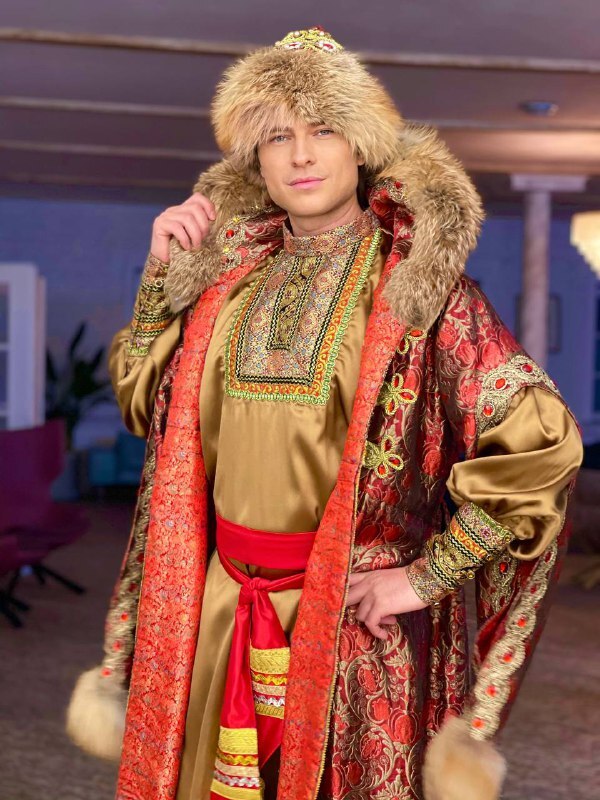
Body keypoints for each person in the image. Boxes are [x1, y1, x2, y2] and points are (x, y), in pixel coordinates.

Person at [67, 27, 582, 800]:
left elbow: (544, 444)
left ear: (362, 146)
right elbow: (146, 406)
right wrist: (160, 276)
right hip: (219, 610)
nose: (301, 156)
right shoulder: (225, 288)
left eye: (323, 130)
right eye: (277, 136)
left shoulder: (420, 293)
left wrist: (427, 577)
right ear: (255, 159)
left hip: (355, 632)